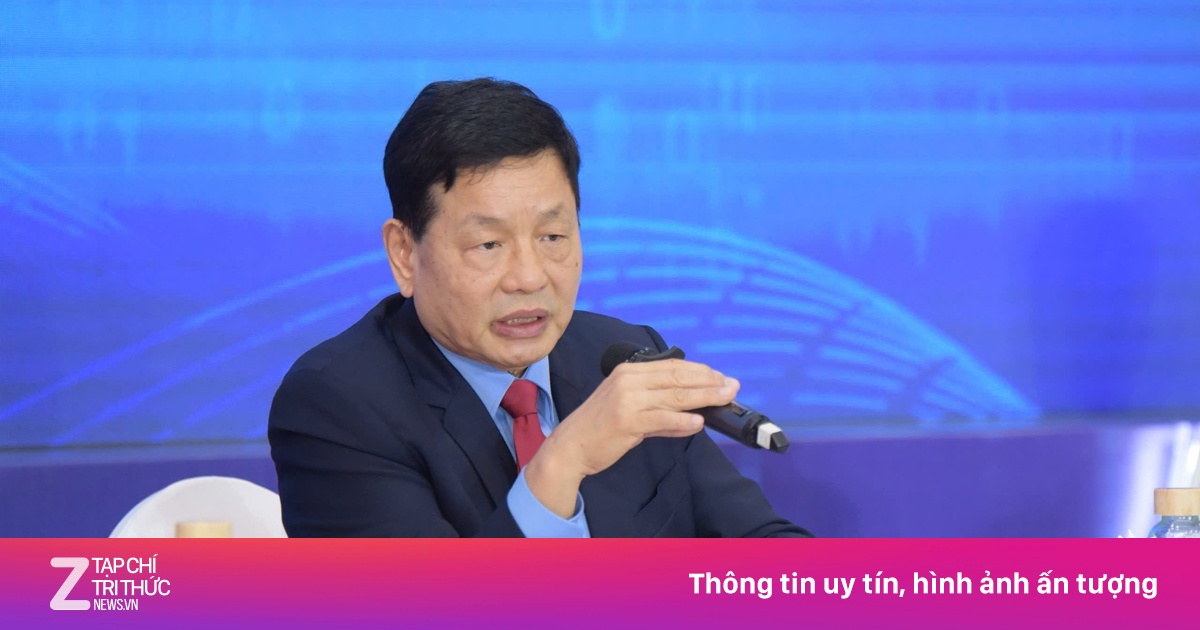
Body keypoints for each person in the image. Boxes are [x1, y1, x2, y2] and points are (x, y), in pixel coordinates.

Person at [268, 78, 811, 537]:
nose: (529, 278)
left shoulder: (621, 356)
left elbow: (762, 546)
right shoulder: (337, 405)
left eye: (553, 237)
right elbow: (425, 609)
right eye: (488, 244)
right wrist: (564, 459)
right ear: (405, 254)